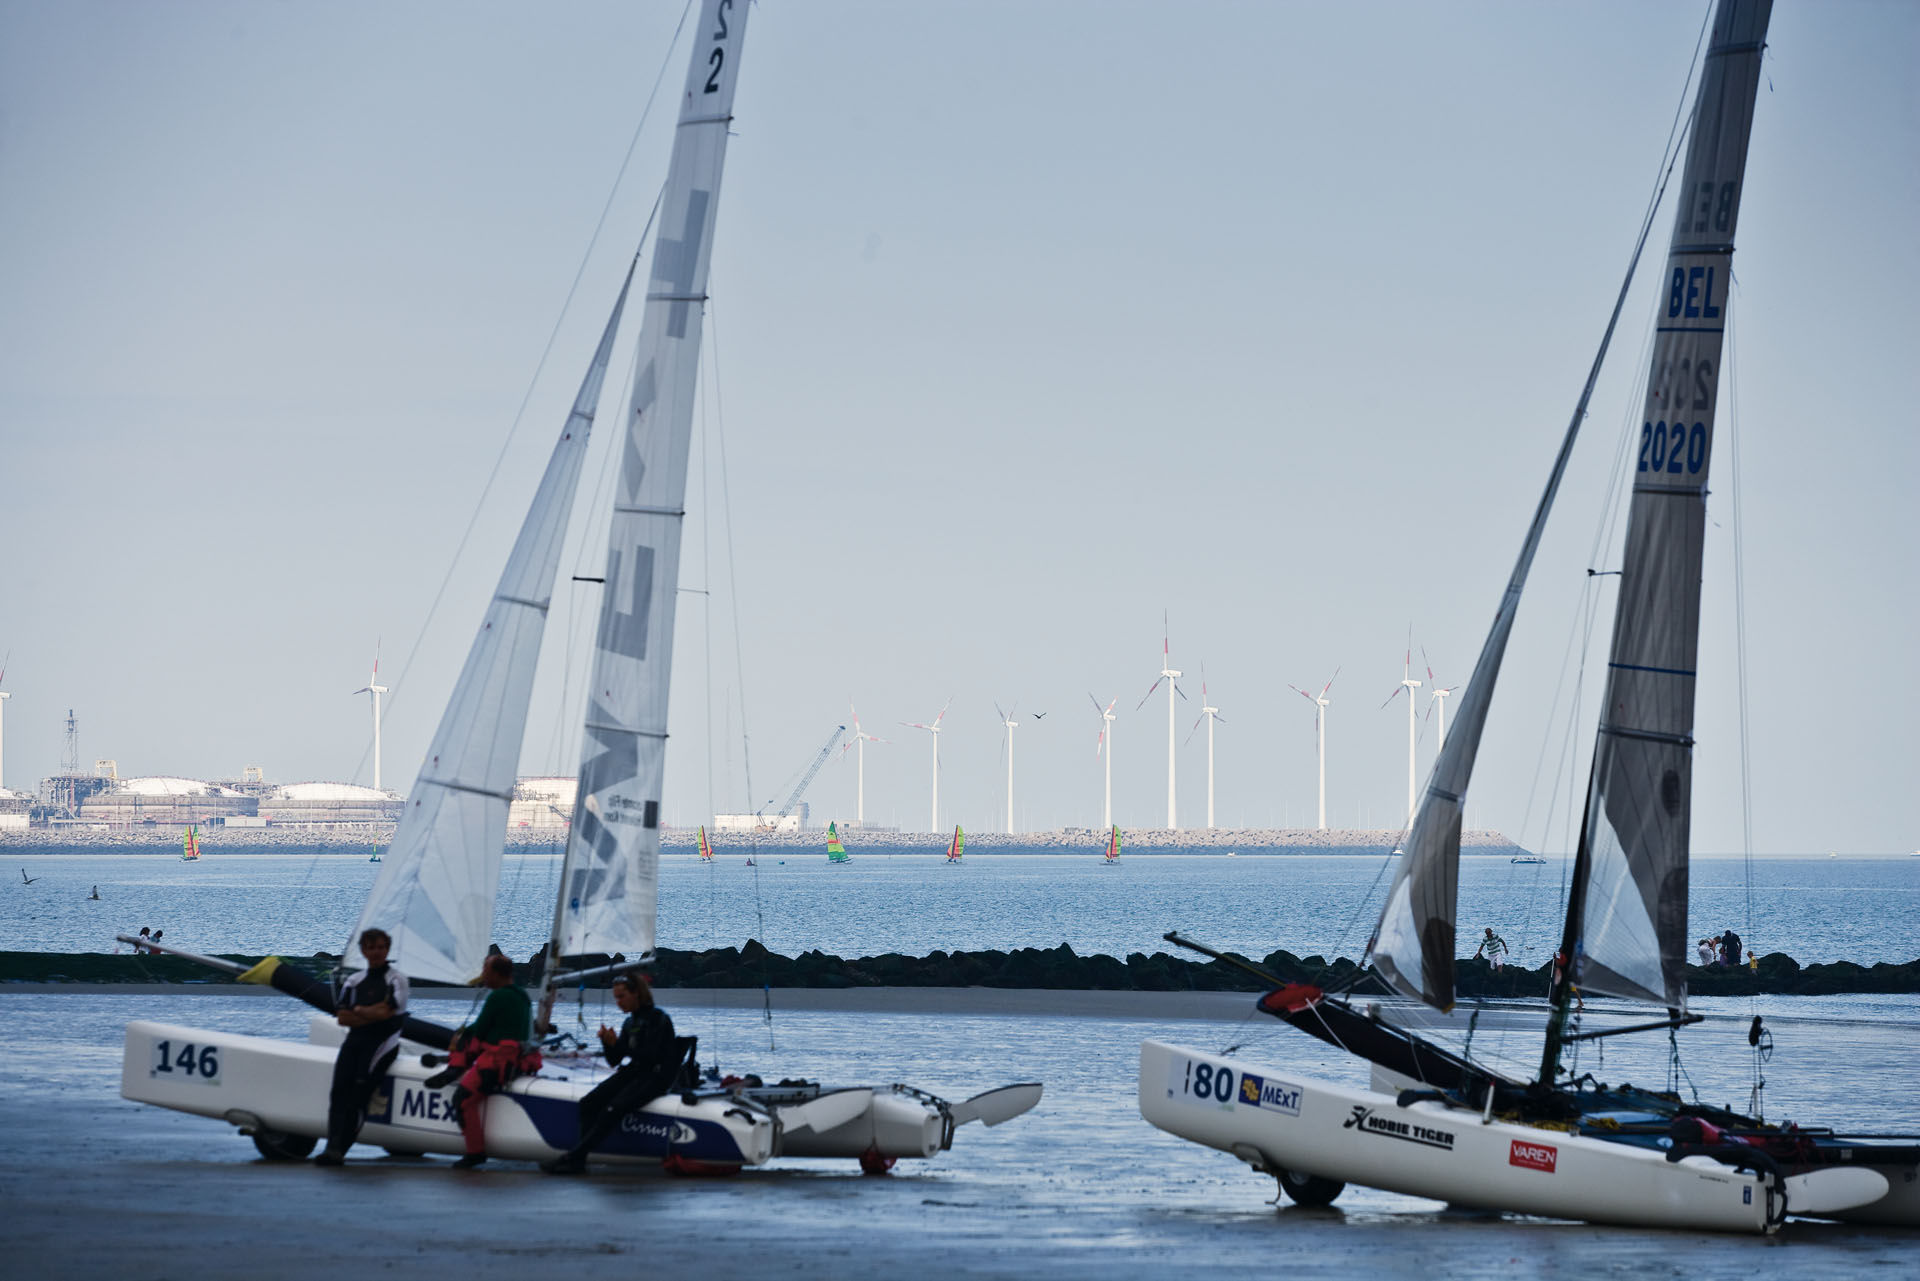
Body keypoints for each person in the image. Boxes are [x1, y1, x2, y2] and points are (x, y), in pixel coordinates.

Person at [542, 974, 681, 1174]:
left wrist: (618, 1044)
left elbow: (651, 1056)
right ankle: (578, 1159)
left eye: (622, 996)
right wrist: (607, 1043)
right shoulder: (629, 1022)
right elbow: (615, 1060)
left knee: (613, 1109)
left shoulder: (658, 1018)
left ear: (637, 994)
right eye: (615, 997)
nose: (618, 1002)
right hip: (635, 1072)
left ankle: (575, 1156)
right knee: (588, 1103)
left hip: (656, 1076)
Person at [315, 927, 409, 1166]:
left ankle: (340, 1149)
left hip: (383, 1044)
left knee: (359, 1095)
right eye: (371, 948)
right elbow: (343, 1018)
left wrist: (360, 1011)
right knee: (338, 1094)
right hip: (355, 1041)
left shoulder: (397, 979)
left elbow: (387, 1013)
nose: (376, 952)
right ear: (363, 951)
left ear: (387, 950)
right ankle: (331, 1146)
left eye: (381, 947)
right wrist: (371, 1013)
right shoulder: (354, 980)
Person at [438, 953, 536, 1169]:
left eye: (485, 971)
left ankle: (475, 1152)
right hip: (517, 1060)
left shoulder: (497, 997)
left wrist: (460, 1036)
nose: (482, 975)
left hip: (497, 1062)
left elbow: (480, 1030)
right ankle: (456, 1065)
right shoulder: (523, 995)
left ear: (496, 974)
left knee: (462, 1101)